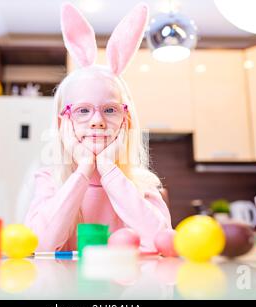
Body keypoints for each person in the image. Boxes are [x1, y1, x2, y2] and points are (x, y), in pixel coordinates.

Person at [24, 2, 172, 252]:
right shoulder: (50, 181)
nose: (97, 121)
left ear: (127, 121)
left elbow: (162, 243)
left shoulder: (141, 185)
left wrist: (108, 169)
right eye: (83, 110)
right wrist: (83, 170)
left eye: (110, 110)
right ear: (63, 123)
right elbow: (39, 245)